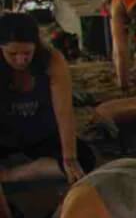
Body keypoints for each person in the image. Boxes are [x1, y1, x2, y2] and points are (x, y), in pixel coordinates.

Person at [1, 12, 92, 185]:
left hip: (41, 133)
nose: (21, 60)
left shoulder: (52, 60)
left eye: (27, 52)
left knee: (83, 161)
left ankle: (13, 175)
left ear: (36, 46)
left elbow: (64, 113)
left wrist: (69, 159)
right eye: (12, 54)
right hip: (6, 134)